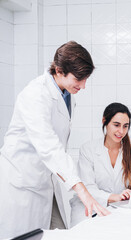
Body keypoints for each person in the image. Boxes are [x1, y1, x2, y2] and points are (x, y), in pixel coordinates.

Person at [0, 41, 110, 239]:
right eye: (79, 79)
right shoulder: (35, 95)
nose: (83, 86)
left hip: (45, 181)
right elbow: (49, 146)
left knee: (59, 232)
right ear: (59, 70)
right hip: (22, 183)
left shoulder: (66, 94)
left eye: (86, 79)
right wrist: (82, 190)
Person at [70, 102, 131, 227]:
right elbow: (88, 187)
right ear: (104, 121)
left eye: (125, 126)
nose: (121, 131)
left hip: (121, 209)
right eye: (116, 125)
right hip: (89, 209)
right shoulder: (88, 149)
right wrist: (114, 197)